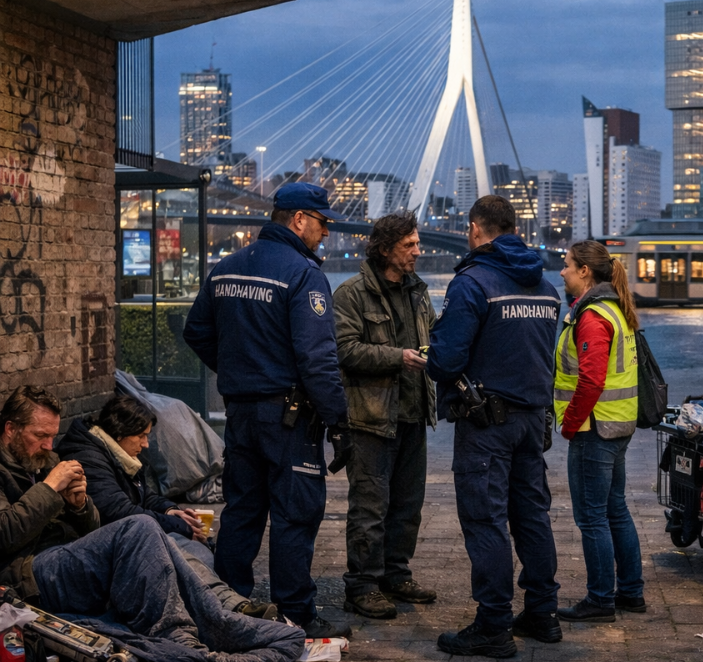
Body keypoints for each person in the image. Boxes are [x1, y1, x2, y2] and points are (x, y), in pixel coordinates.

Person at [0, 386, 304, 660]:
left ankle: (218, 613)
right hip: (26, 575)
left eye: (52, 436)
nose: (49, 446)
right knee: (140, 528)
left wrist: (80, 506)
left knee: (161, 540)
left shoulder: (46, 461)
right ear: (10, 429)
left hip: (65, 557)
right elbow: (5, 533)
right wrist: (50, 489)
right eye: (40, 436)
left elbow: (93, 527)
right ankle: (184, 632)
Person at [183, 182, 351, 638]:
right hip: (289, 419)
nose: (325, 235)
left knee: (241, 509)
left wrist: (236, 370)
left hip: (241, 413)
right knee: (295, 513)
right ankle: (295, 611)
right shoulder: (303, 273)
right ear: (298, 219)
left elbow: (196, 331)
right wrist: (339, 420)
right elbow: (318, 359)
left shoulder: (228, 267)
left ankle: (226, 604)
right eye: (322, 224)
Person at [426, 196, 562, 657]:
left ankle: (493, 625)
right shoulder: (546, 287)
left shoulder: (472, 283)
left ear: (474, 230)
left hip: (487, 425)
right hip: (532, 421)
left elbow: (446, 361)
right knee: (532, 517)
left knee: (485, 521)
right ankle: (543, 613)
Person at [55, 395, 273, 620]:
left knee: (199, 550)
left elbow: (143, 495)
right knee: (175, 549)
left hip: (128, 533)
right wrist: (180, 526)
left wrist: (171, 510)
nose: (146, 444)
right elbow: (118, 511)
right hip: (105, 543)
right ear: (120, 432)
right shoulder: (89, 458)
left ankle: (218, 607)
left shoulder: (118, 452)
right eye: (141, 436)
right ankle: (228, 608)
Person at [332, 211, 438, 620]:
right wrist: (399, 358)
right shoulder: (352, 294)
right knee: (370, 507)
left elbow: (433, 333)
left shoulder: (418, 292)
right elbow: (345, 350)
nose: (417, 250)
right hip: (371, 419)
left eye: (416, 243)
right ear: (385, 249)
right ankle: (361, 585)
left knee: (408, 504)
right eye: (409, 245)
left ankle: (396, 574)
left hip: (413, 416)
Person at [554, 240, 646, 623]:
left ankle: (599, 600)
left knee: (591, 517)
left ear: (585, 272)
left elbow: (591, 380)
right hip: (619, 424)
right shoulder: (617, 309)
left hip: (594, 429)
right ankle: (631, 592)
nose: (561, 272)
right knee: (616, 510)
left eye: (567, 265)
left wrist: (570, 424)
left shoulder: (592, 316)